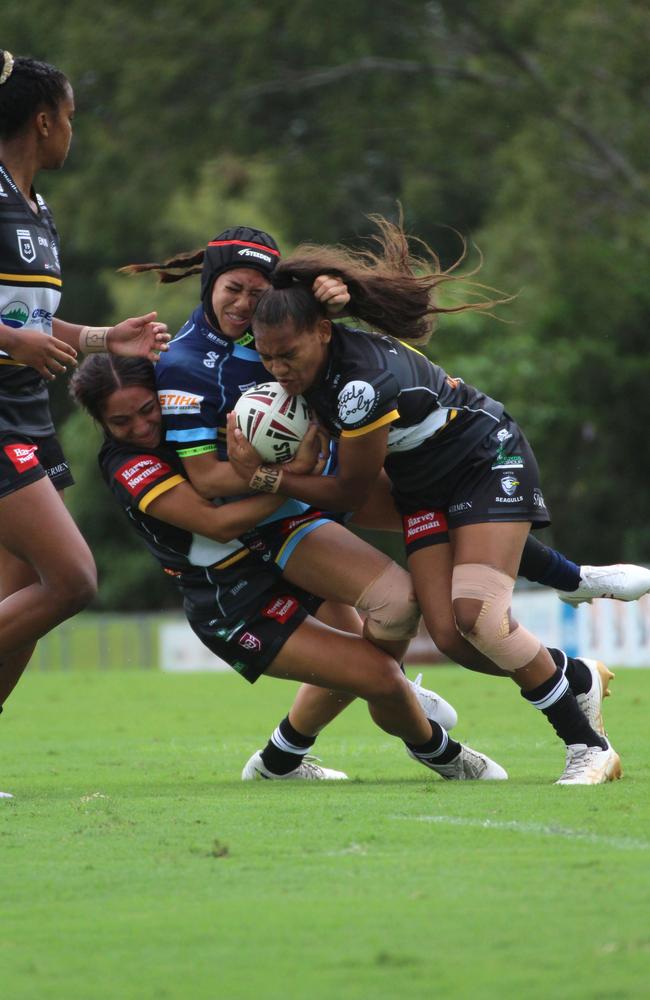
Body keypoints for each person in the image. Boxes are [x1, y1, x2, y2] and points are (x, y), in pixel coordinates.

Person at [124, 224, 645, 781]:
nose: (274, 366)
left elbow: (348, 490)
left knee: (479, 619)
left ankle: (585, 741)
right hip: (415, 480)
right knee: (448, 634)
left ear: (315, 327)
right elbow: (214, 469)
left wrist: (274, 477)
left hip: (478, 460)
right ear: (210, 285)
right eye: (234, 290)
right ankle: (573, 657)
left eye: (259, 292)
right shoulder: (226, 352)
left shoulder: (353, 382)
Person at [71, 353, 506, 782]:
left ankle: (277, 763)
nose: (142, 428)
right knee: (380, 676)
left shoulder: (196, 415)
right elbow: (218, 525)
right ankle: (444, 755)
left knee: (395, 616)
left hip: (278, 548)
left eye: (148, 409)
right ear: (102, 423)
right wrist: (296, 476)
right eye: (121, 422)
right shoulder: (128, 463)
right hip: (232, 599)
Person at [0, 51, 170, 798]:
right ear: (44, 121)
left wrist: (106, 340)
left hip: (27, 414)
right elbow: (15, 332)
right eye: (70, 117)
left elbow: (33, 320)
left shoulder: (35, 206)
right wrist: (10, 343)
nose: (74, 129)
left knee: (22, 595)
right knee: (70, 579)